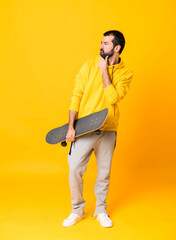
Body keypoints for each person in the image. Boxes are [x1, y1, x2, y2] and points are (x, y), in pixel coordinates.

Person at [62, 30, 133, 228]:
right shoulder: (88, 65)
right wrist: (70, 126)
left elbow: (112, 98)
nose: (101, 46)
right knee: (74, 168)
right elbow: (76, 94)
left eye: (106, 43)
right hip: (84, 128)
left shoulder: (126, 73)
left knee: (104, 173)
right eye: (101, 42)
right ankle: (77, 210)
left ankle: (101, 209)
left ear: (116, 48)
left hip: (108, 129)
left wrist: (104, 71)